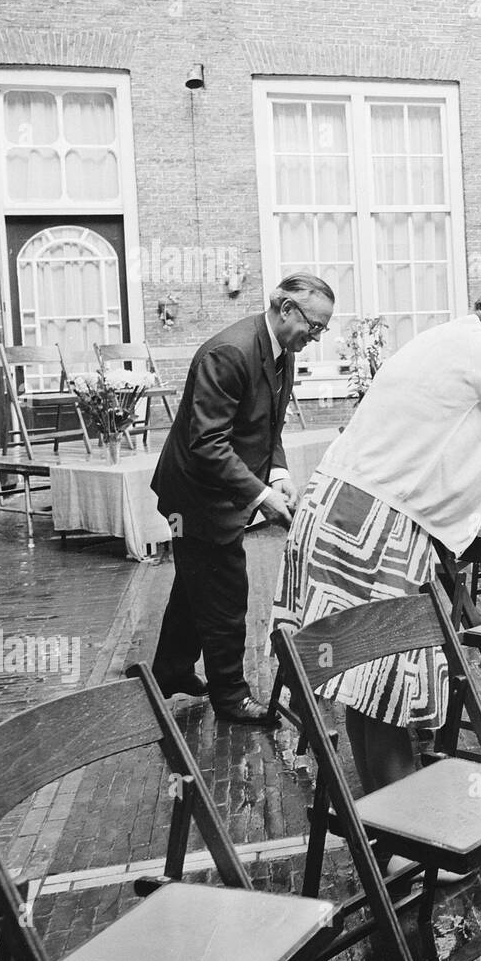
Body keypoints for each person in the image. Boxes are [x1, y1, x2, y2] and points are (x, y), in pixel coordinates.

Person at [270, 273, 481, 793]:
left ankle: (388, 826)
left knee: (365, 685)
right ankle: (405, 832)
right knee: (387, 685)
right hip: (378, 525)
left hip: (338, 510)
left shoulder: (450, 339)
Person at [150, 273, 335, 724]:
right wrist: (260, 496)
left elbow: (268, 427)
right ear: (285, 308)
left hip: (221, 490)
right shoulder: (229, 352)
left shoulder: (282, 352)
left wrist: (278, 472)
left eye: (322, 330)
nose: (315, 337)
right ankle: (230, 697)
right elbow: (207, 444)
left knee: (197, 582)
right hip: (194, 498)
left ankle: (170, 672)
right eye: (313, 326)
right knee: (225, 592)